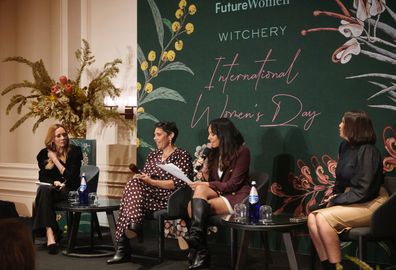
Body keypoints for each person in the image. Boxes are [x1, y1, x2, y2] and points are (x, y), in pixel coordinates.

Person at [307, 111, 389, 270]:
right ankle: (328, 267)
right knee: (312, 218)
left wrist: (336, 200)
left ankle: (338, 267)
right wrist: (333, 196)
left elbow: (365, 190)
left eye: (343, 122)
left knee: (323, 219)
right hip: (354, 199)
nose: (339, 125)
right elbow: (341, 180)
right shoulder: (345, 146)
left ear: (353, 127)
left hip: (373, 202)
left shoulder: (368, 151)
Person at [107, 121, 193, 264]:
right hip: (149, 197)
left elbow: (180, 183)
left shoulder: (181, 155)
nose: (155, 138)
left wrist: (151, 182)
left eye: (158, 135)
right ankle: (134, 225)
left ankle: (124, 247)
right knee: (133, 183)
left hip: (170, 198)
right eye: (154, 135)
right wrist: (142, 177)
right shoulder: (153, 155)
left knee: (129, 198)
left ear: (170, 136)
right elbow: (146, 176)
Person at [182, 118, 251, 270]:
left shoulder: (242, 151)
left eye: (212, 134)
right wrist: (205, 174)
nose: (208, 138)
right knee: (194, 200)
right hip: (221, 193)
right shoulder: (214, 153)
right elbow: (214, 182)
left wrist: (206, 184)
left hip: (237, 196)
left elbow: (233, 185)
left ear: (223, 134)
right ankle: (198, 245)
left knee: (193, 206)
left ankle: (199, 249)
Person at [32, 123, 83, 255]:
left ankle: (52, 233)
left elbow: (71, 178)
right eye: (58, 136)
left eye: (64, 135)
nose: (63, 138)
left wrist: (55, 160)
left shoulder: (74, 152)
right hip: (53, 190)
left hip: (70, 190)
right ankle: (50, 234)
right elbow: (42, 176)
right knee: (44, 190)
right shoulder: (44, 154)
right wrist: (54, 182)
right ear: (52, 139)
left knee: (43, 194)